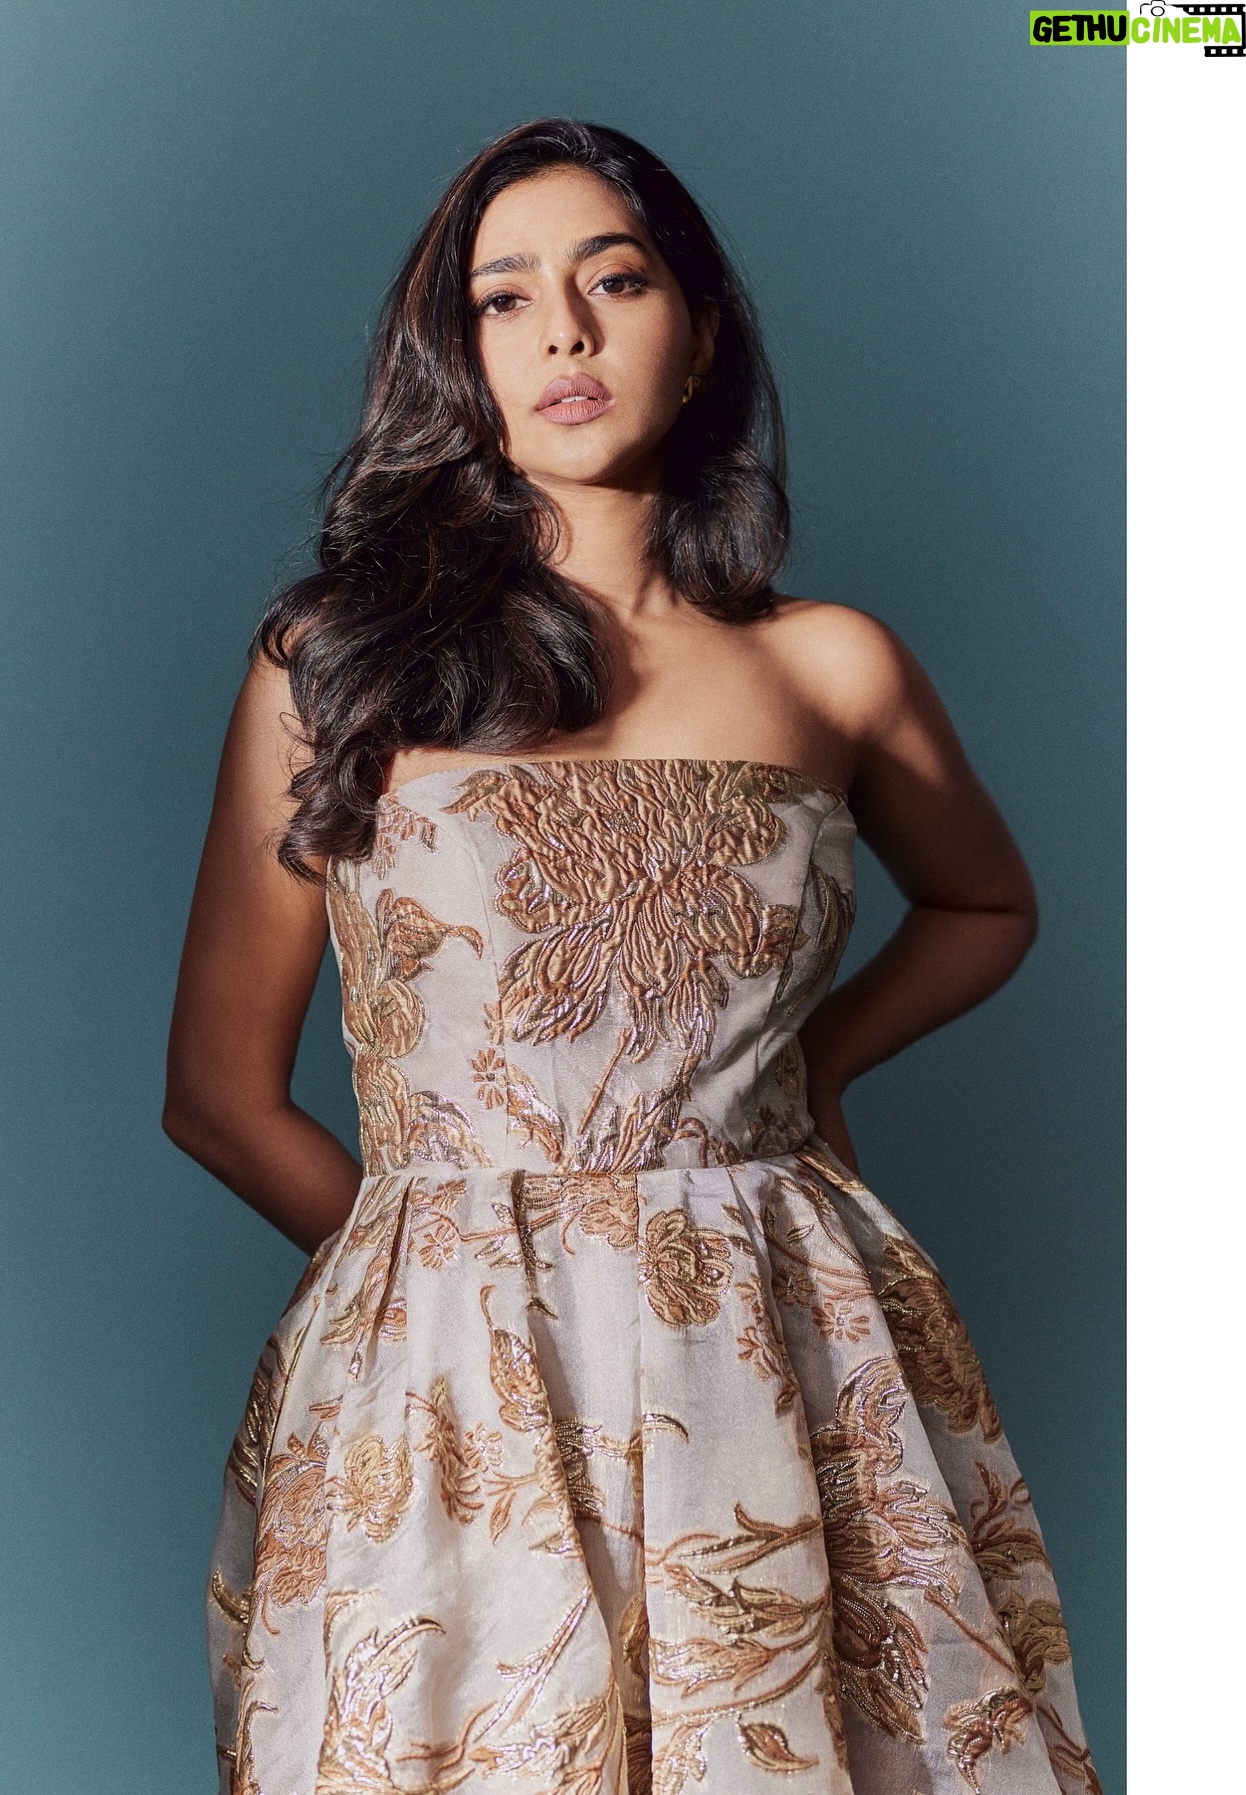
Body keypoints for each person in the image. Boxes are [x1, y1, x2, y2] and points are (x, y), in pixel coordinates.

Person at [164, 119, 1097, 1795]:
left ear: (703, 328)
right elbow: (220, 1096)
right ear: (455, 357)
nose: (567, 334)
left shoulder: (830, 666)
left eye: (617, 279)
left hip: (777, 1342)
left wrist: (818, 1065)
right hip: (443, 1377)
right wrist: (431, 1287)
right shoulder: (333, 663)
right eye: (504, 299)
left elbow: (987, 901)